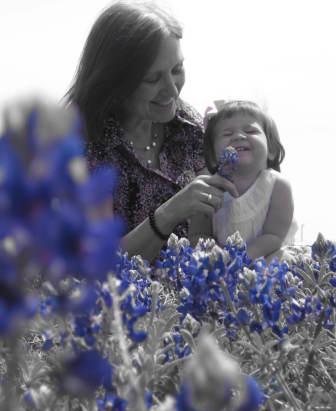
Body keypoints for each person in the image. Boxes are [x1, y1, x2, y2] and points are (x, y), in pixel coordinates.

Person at [65, 0, 238, 262]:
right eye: (153, 79)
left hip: (186, 296)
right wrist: (171, 212)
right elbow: (97, 264)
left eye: (177, 69)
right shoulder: (84, 147)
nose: (172, 90)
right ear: (115, 81)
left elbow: (207, 233)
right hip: (118, 300)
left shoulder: (188, 126)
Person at [188, 100, 297, 262]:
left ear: (272, 150)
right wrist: (220, 256)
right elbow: (198, 234)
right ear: (211, 155)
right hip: (221, 262)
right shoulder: (207, 188)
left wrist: (240, 259)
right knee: (197, 261)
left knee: (282, 259)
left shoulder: (278, 186)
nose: (238, 136)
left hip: (265, 257)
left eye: (251, 131)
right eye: (226, 134)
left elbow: (274, 236)